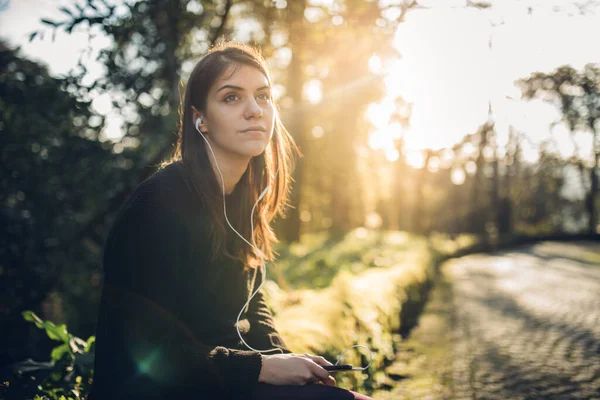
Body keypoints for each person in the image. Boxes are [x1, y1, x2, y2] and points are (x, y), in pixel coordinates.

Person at [88, 42, 374, 399]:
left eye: (263, 95)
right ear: (200, 119)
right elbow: (144, 351)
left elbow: (251, 304)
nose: (255, 110)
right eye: (231, 98)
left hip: (225, 380)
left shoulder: (242, 199)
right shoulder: (158, 205)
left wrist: (289, 361)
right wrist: (262, 367)